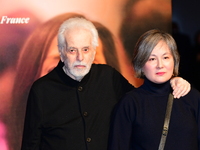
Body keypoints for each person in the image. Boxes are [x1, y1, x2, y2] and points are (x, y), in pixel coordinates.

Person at [21, 18, 190, 150]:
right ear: (62, 51)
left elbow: (143, 98)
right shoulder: (41, 90)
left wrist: (171, 81)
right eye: (73, 50)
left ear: (94, 50)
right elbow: (31, 144)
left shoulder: (109, 76)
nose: (80, 57)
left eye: (86, 49)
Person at [108, 29, 200, 150]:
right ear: (140, 64)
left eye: (166, 57)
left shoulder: (191, 97)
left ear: (174, 60)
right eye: (152, 59)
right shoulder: (130, 104)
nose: (160, 65)